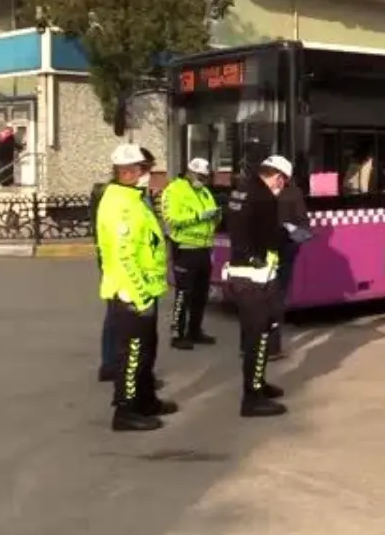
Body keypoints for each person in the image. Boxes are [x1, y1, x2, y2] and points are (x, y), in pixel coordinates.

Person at [96, 143, 177, 432]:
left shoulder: (132, 197)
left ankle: (145, 400)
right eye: (144, 170)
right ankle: (125, 410)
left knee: (146, 350)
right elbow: (124, 255)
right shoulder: (120, 204)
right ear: (127, 172)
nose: (147, 175)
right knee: (131, 355)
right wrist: (139, 295)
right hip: (130, 292)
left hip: (145, 289)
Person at [224, 154, 293, 418]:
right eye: (284, 182)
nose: (282, 188)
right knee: (258, 336)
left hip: (242, 273)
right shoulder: (264, 198)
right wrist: (287, 235)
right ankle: (252, 398)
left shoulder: (241, 190)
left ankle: (258, 383)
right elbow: (269, 237)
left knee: (258, 333)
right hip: (255, 278)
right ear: (278, 177)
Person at [161, 158, 221, 350]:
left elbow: (213, 215)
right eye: (199, 177)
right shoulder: (174, 190)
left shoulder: (204, 192)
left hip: (204, 248)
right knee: (183, 294)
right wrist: (198, 217)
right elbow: (172, 218)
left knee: (201, 294)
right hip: (185, 248)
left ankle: (195, 331)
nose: (202, 181)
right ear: (190, 173)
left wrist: (216, 216)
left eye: (205, 178)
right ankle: (177, 334)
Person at [268, 169, 309, 360]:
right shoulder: (258, 191)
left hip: (283, 253)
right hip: (262, 257)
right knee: (259, 301)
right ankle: (252, 346)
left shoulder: (293, 193)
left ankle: (272, 347)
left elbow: (303, 227)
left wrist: (291, 238)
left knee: (276, 299)